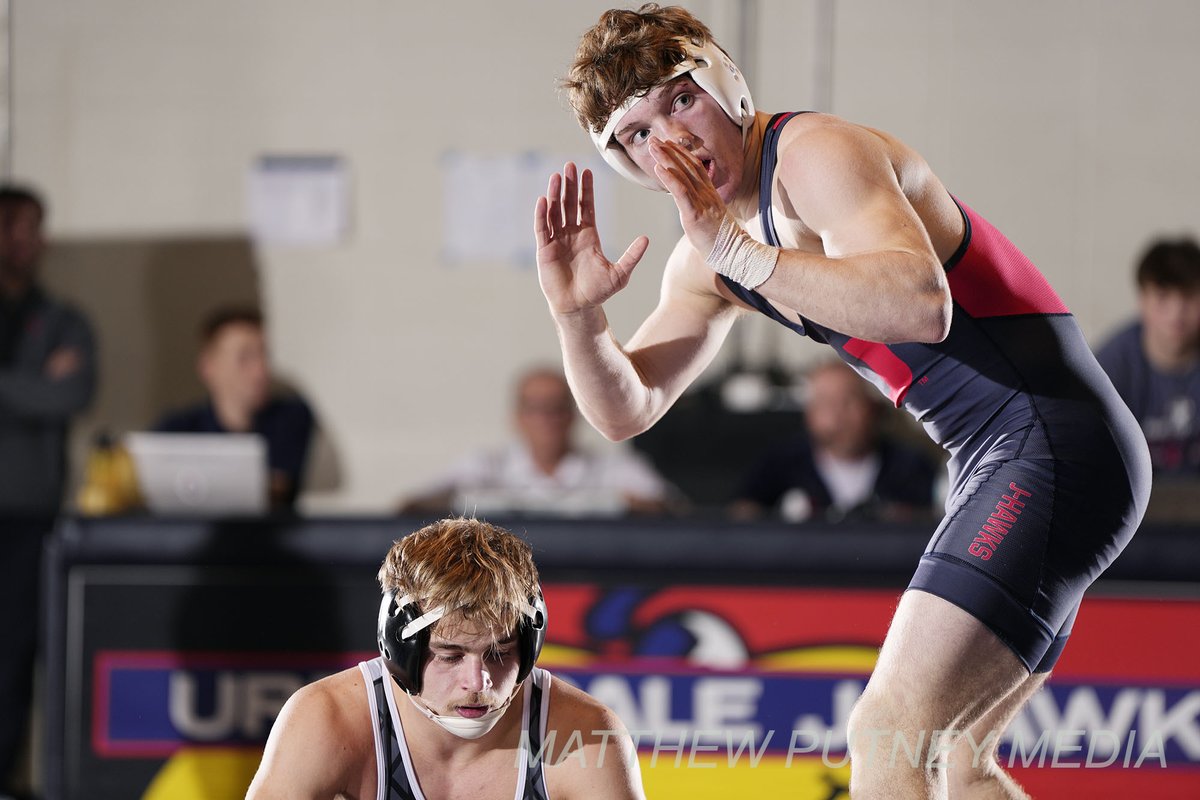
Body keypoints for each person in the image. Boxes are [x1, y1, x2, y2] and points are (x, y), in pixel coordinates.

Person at [533, 5, 1150, 797]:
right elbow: (628, 407)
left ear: (725, 86)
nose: (673, 141)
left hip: (1049, 442)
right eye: (638, 133)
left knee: (886, 737)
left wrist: (738, 253)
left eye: (681, 100)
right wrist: (579, 319)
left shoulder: (813, 153)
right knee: (957, 766)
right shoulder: (708, 257)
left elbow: (921, 304)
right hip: (1013, 455)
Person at [246, 517, 645, 799]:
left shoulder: (586, 736)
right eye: (451, 656)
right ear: (399, 649)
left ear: (529, 647)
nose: (478, 682)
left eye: (499, 652)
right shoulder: (330, 720)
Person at [0, 183, 97, 796]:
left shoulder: (64, 320)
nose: (32, 240)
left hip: (29, 518)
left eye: (37, 226)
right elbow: (44, 392)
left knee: (12, 664)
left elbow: (71, 394)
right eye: (17, 226)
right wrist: (28, 384)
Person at [400, 366, 672, 517]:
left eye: (556, 407)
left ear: (575, 415)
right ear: (517, 417)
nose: (546, 419)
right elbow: (412, 507)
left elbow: (670, 511)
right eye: (535, 408)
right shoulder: (485, 466)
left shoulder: (614, 467)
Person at [732, 359, 939, 523]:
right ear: (809, 413)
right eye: (825, 403)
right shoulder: (779, 465)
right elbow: (743, 519)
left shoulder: (911, 466)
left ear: (872, 407)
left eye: (848, 401)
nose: (837, 415)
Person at [155, 306, 314, 509]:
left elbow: (279, 488)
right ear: (208, 367)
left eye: (265, 354)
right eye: (245, 357)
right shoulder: (176, 429)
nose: (260, 370)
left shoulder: (292, 418)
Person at [1095, 237, 1200, 475]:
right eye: (1163, 297)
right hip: (1137, 509)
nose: (1177, 312)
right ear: (1143, 300)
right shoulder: (1111, 366)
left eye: (1189, 296)